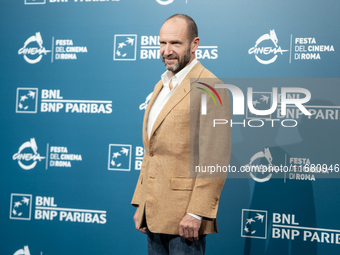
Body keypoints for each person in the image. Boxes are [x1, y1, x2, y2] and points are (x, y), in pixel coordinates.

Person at [131, 14, 231, 255]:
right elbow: (152, 151)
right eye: (162, 43)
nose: (167, 51)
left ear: (194, 44)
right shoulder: (162, 85)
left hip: (185, 219)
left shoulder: (210, 87)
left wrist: (197, 212)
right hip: (154, 212)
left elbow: (214, 158)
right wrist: (142, 203)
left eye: (175, 43)